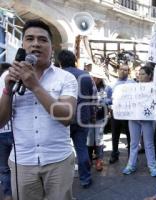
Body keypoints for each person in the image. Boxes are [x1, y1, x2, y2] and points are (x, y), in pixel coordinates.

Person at [0, 19, 77, 200]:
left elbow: (66, 116)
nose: (36, 44)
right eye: (30, 39)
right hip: (22, 163)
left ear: (52, 47)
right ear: (23, 45)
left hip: (59, 161)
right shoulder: (7, 76)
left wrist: (34, 86)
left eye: (43, 40)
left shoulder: (66, 78)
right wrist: (7, 90)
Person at [57, 49, 94, 188]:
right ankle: (85, 178)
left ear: (60, 62)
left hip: (63, 117)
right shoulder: (85, 75)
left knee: (61, 150)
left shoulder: (58, 75)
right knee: (81, 148)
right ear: (74, 60)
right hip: (82, 117)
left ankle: (62, 180)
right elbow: (91, 97)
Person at [122, 66, 156, 176]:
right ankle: (131, 165)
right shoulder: (132, 87)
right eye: (139, 73)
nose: (140, 76)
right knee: (133, 143)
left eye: (143, 74)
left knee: (148, 143)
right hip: (134, 118)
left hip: (147, 119)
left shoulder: (154, 88)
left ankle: (152, 166)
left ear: (149, 75)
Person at [108, 63, 134, 164]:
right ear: (118, 70)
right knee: (115, 134)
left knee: (130, 135)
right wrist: (108, 104)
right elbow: (108, 99)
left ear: (128, 72)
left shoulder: (133, 83)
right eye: (121, 69)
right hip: (116, 113)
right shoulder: (111, 84)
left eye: (126, 70)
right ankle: (114, 153)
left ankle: (131, 156)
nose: (123, 71)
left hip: (129, 114)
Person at [88, 66, 112, 171]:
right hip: (88, 117)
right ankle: (88, 159)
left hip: (100, 116)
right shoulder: (86, 85)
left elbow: (111, 100)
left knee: (99, 138)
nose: (95, 79)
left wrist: (102, 102)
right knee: (89, 138)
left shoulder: (107, 88)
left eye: (97, 78)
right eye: (94, 77)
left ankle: (99, 160)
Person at [0, 63, 13, 200]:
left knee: (4, 168)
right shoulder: (12, 82)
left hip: (1, 132)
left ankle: (8, 195)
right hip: (14, 129)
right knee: (18, 166)